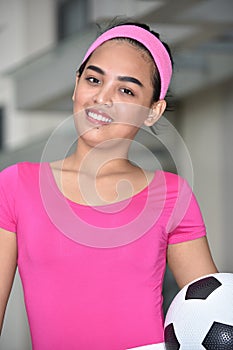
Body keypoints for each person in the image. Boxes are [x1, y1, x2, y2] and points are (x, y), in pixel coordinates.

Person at [0, 19, 217, 349]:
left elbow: (208, 319)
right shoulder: (16, 185)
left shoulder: (172, 195)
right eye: (93, 79)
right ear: (76, 85)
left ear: (152, 112)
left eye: (126, 90)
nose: (103, 97)